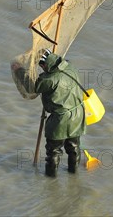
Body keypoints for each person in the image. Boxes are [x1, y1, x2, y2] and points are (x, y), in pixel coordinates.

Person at [12, 48, 86, 177]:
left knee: (53, 152)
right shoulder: (70, 68)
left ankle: (51, 182)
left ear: (45, 65)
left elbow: (32, 88)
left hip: (61, 119)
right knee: (73, 147)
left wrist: (19, 70)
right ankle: (73, 175)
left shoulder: (49, 79)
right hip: (78, 114)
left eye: (41, 66)